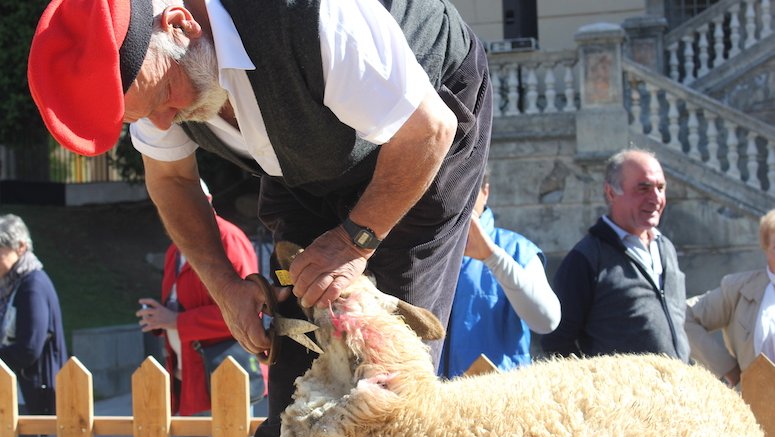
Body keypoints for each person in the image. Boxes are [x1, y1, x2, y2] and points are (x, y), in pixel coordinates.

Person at [28, 0, 490, 433]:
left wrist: (353, 242)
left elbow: (429, 129)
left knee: (382, 378)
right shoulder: (153, 76)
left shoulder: (312, 18)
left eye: (166, 95)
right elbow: (172, 182)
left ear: (180, 25)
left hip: (420, 137)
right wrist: (225, 288)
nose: (165, 123)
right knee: (296, 377)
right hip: (305, 158)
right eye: (146, 116)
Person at [541, 149, 690, 362]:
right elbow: (556, 341)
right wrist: (593, 380)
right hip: (621, 384)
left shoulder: (665, 248)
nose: (656, 198)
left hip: (677, 382)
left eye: (660, 188)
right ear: (611, 193)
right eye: (644, 188)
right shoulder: (587, 258)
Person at [136, 180, 264, 415]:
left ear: (205, 202)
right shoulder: (175, 249)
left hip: (224, 376)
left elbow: (248, 311)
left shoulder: (228, 239)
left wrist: (177, 321)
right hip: (189, 378)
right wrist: (160, 318)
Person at [439, 171, 560, 378]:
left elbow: (547, 321)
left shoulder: (517, 250)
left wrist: (492, 257)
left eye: (468, 187)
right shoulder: (419, 252)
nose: (458, 197)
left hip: (498, 395)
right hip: (429, 394)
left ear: (485, 192)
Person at [684, 208, 775, 387]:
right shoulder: (739, 289)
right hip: (754, 400)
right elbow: (683, 316)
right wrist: (727, 367)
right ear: (766, 248)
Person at [0, 214, 68, 416]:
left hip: (37, 397)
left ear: (21, 247)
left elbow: (28, 349)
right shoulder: (12, 285)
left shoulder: (33, 286)